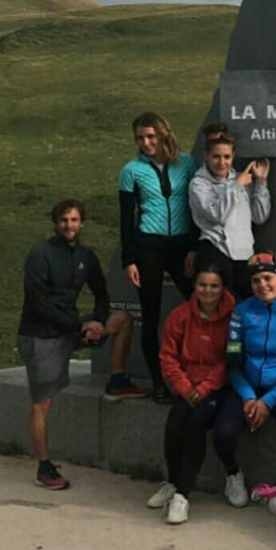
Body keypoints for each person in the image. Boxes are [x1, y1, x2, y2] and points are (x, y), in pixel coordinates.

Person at [17, 199, 148, 490]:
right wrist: (80, 326)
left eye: (74, 220)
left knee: (122, 319)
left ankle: (117, 379)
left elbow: (102, 294)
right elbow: (39, 305)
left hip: (72, 329)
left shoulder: (86, 257)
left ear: (82, 223)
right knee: (42, 404)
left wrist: (98, 323)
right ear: (56, 223)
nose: (69, 225)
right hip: (42, 335)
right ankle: (44, 467)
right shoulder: (40, 255)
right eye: (64, 220)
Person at [213, 251, 276, 522]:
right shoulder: (241, 311)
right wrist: (248, 397)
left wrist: (268, 401)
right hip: (246, 386)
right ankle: (233, 474)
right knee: (223, 429)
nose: (262, 285)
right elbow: (233, 363)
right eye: (256, 280)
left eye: (268, 278)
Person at [146, 261, 237, 524]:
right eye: (202, 285)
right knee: (174, 426)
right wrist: (185, 387)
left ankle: (182, 496)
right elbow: (168, 357)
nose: (208, 291)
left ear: (222, 288)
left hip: (217, 387)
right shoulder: (180, 316)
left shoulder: (234, 316)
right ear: (194, 286)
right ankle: (173, 482)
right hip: (187, 386)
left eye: (214, 286)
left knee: (196, 424)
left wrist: (206, 386)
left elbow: (228, 358)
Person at [118, 111, 199, 404]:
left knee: (200, 306)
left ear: (163, 134)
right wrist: (129, 260)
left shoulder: (186, 163)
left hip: (180, 245)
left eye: (151, 136)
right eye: (140, 138)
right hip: (148, 247)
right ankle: (158, 383)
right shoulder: (131, 171)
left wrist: (193, 247)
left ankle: (196, 375)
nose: (146, 142)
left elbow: (195, 207)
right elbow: (126, 220)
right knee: (150, 315)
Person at [188, 121, 271, 301]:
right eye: (216, 156)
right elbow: (218, 214)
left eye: (226, 157)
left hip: (243, 252)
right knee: (219, 306)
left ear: (233, 156)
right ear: (206, 156)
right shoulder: (198, 184)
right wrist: (236, 186)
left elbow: (260, 217)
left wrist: (261, 183)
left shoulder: (240, 179)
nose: (221, 162)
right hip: (215, 249)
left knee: (246, 304)